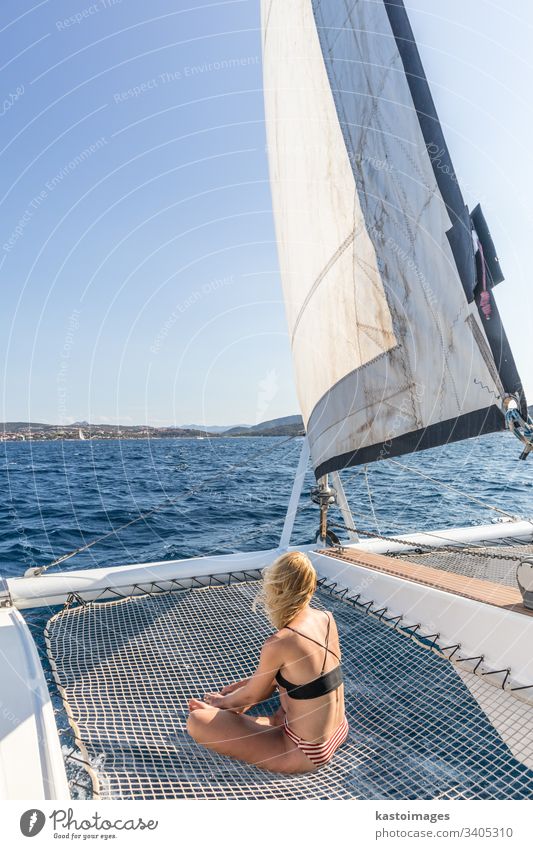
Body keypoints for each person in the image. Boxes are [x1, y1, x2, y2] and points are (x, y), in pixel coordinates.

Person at [187, 551, 348, 774]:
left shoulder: (281, 641)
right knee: (263, 685)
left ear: (277, 590)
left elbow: (254, 695)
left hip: (306, 752)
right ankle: (253, 720)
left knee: (198, 720)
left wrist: (219, 705)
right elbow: (307, 678)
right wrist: (244, 690)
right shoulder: (327, 618)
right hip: (339, 730)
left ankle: (232, 719)